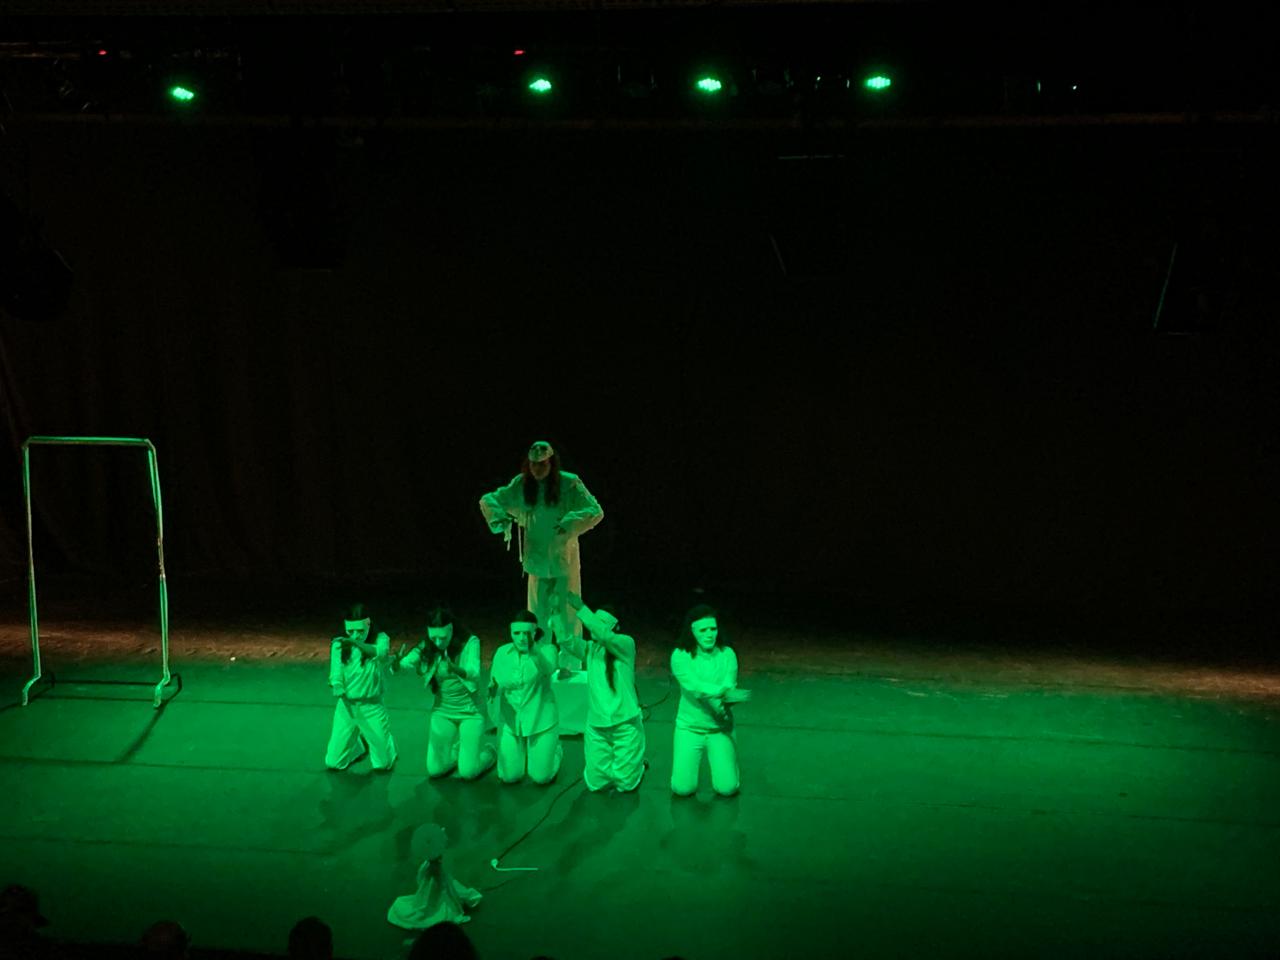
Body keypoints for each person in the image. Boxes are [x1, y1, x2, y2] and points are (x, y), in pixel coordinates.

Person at [479, 440, 603, 669]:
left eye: (542, 464)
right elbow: (490, 499)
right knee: (537, 615)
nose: (537, 469)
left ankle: (569, 666)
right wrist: (500, 518)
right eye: (533, 464)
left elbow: (595, 510)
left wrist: (570, 522)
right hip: (536, 561)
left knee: (567, 614)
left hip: (563, 560)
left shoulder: (569, 483)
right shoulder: (522, 484)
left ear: (551, 463)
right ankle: (539, 666)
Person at [556, 592, 646, 793]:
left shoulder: (626, 644)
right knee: (596, 784)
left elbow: (605, 636)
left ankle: (638, 764)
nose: (594, 628)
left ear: (613, 626)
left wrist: (580, 607)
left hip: (625, 722)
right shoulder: (591, 649)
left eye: (601, 623)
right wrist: (555, 612)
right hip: (597, 724)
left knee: (626, 784)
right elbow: (566, 640)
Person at [399, 608, 496, 780]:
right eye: (433, 637)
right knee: (435, 770)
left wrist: (455, 668)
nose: (437, 642)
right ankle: (459, 749)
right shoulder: (428, 645)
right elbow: (407, 662)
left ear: (451, 629)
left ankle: (489, 753)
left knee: (468, 772)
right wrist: (397, 663)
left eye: (442, 638)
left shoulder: (470, 642)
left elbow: (474, 672)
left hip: (471, 712)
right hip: (442, 711)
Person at [669, 604, 750, 797]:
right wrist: (723, 695)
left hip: (720, 729)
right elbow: (695, 688)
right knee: (682, 789)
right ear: (692, 631)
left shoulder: (728, 654)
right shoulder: (680, 656)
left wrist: (727, 697)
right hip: (689, 728)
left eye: (713, 629)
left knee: (727, 788)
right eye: (703, 630)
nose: (709, 634)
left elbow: (729, 686)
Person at [488, 611, 562, 784]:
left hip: (541, 721)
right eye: (517, 633)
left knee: (541, 777)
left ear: (535, 633)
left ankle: (556, 751)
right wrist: (493, 690)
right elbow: (494, 684)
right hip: (511, 722)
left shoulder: (547, 650)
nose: (522, 638)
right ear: (511, 633)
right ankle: (520, 752)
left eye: (527, 633)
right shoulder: (502, 653)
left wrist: (533, 650)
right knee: (509, 777)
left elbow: (548, 668)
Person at [325, 602, 398, 772]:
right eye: (350, 631)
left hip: (372, 707)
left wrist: (354, 642)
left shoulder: (381, 639)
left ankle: (388, 745)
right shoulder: (339, 645)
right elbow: (336, 672)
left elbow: (380, 653)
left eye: (360, 631)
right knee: (333, 762)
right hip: (347, 707)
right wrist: (337, 685)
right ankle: (358, 746)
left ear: (368, 625)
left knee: (382, 765)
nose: (355, 635)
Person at [387, 823, 482, 929]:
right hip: (436, 879)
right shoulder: (434, 857)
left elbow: (423, 875)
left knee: (431, 896)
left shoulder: (429, 857)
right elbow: (435, 874)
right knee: (437, 896)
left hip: (435, 877)